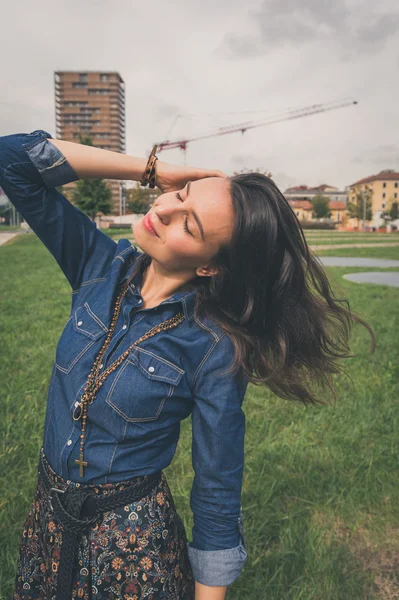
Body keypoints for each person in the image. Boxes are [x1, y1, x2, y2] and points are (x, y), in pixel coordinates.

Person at [0, 130, 374, 600]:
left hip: (130, 547)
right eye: (179, 197)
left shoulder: (214, 347)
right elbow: (11, 159)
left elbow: (217, 486)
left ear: (210, 267)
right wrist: (156, 171)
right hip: (48, 522)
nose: (162, 211)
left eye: (189, 225)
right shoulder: (98, 265)